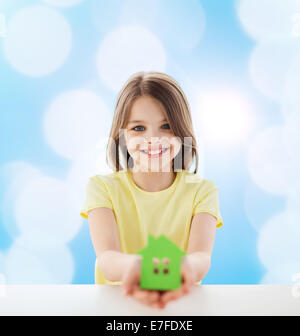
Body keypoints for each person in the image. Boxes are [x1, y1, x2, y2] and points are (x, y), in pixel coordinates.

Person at [80, 71, 223, 309]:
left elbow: (201, 257)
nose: (153, 139)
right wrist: (138, 268)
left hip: (180, 306)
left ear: (182, 130)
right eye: (138, 128)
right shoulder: (102, 188)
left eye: (166, 126)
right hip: (117, 309)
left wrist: (184, 268)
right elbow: (107, 258)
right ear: (121, 136)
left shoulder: (202, 191)